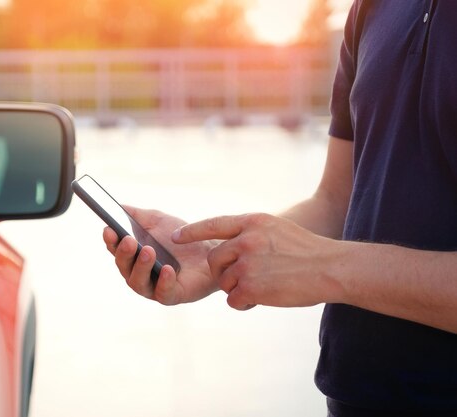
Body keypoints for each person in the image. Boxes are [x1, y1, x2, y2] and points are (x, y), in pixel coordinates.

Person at [102, 1, 457, 416]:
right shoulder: (372, 7)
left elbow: (330, 256)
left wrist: (328, 267)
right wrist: (218, 252)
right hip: (356, 395)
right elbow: (337, 200)